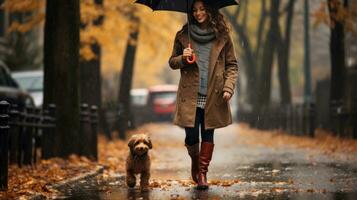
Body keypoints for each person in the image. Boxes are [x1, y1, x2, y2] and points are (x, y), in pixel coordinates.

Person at [168, 0, 239, 190]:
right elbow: (172, 62)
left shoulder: (222, 36)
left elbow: (232, 65)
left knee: (208, 133)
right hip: (190, 95)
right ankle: (195, 160)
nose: (198, 13)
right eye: (195, 10)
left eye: (202, 9)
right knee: (191, 137)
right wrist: (183, 58)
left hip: (213, 95)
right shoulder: (184, 35)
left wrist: (228, 87)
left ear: (209, 10)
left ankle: (202, 174)